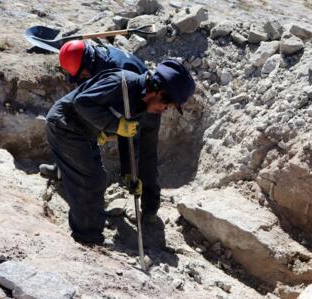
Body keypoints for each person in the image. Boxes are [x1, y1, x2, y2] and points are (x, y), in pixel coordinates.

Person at [45, 59, 195, 245]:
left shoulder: (141, 104)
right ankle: (87, 238)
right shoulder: (121, 83)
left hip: (84, 132)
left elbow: (128, 138)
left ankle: (87, 232)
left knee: (94, 178)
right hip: (64, 125)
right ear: (158, 91)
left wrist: (129, 174)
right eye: (168, 105)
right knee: (92, 180)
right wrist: (115, 125)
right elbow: (82, 103)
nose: (164, 110)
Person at [39, 40, 148, 179]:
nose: (81, 78)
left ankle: (136, 180)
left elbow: (130, 129)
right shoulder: (92, 60)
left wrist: (129, 172)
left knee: (129, 135)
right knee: (79, 118)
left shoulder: (121, 75)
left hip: (147, 100)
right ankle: (64, 167)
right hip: (124, 96)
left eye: (82, 75)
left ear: (87, 63)